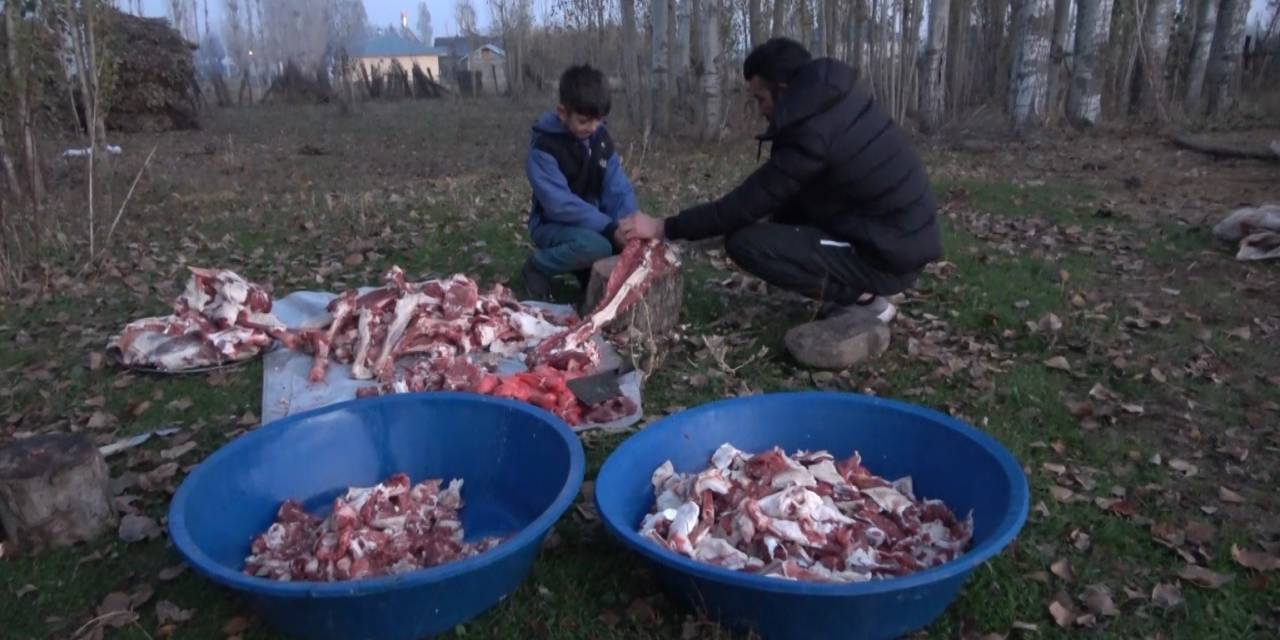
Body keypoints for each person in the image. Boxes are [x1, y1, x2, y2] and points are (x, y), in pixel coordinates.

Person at [621, 38, 941, 367]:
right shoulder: (833, 104)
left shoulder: (812, 131)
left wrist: (662, 227)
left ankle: (866, 298)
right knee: (771, 224)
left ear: (783, 89)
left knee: (747, 244)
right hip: (897, 238)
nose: (760, 110)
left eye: (761, 98)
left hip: (889, 254)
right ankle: (859, 285)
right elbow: (783, 198)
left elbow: (747, 202)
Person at [521, 64, 642, 301]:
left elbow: (617, 188)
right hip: (551, 224)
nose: (593, 128)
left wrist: (628, 226)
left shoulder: (600, 139)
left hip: (592, 223)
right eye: (584, 121)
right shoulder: (544, 148)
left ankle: (587, 273)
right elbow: (559, 205)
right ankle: (537, 266)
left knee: (625, 245)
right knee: (598, 246)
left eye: (598, 120)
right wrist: (610, 229)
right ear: (563, 112)